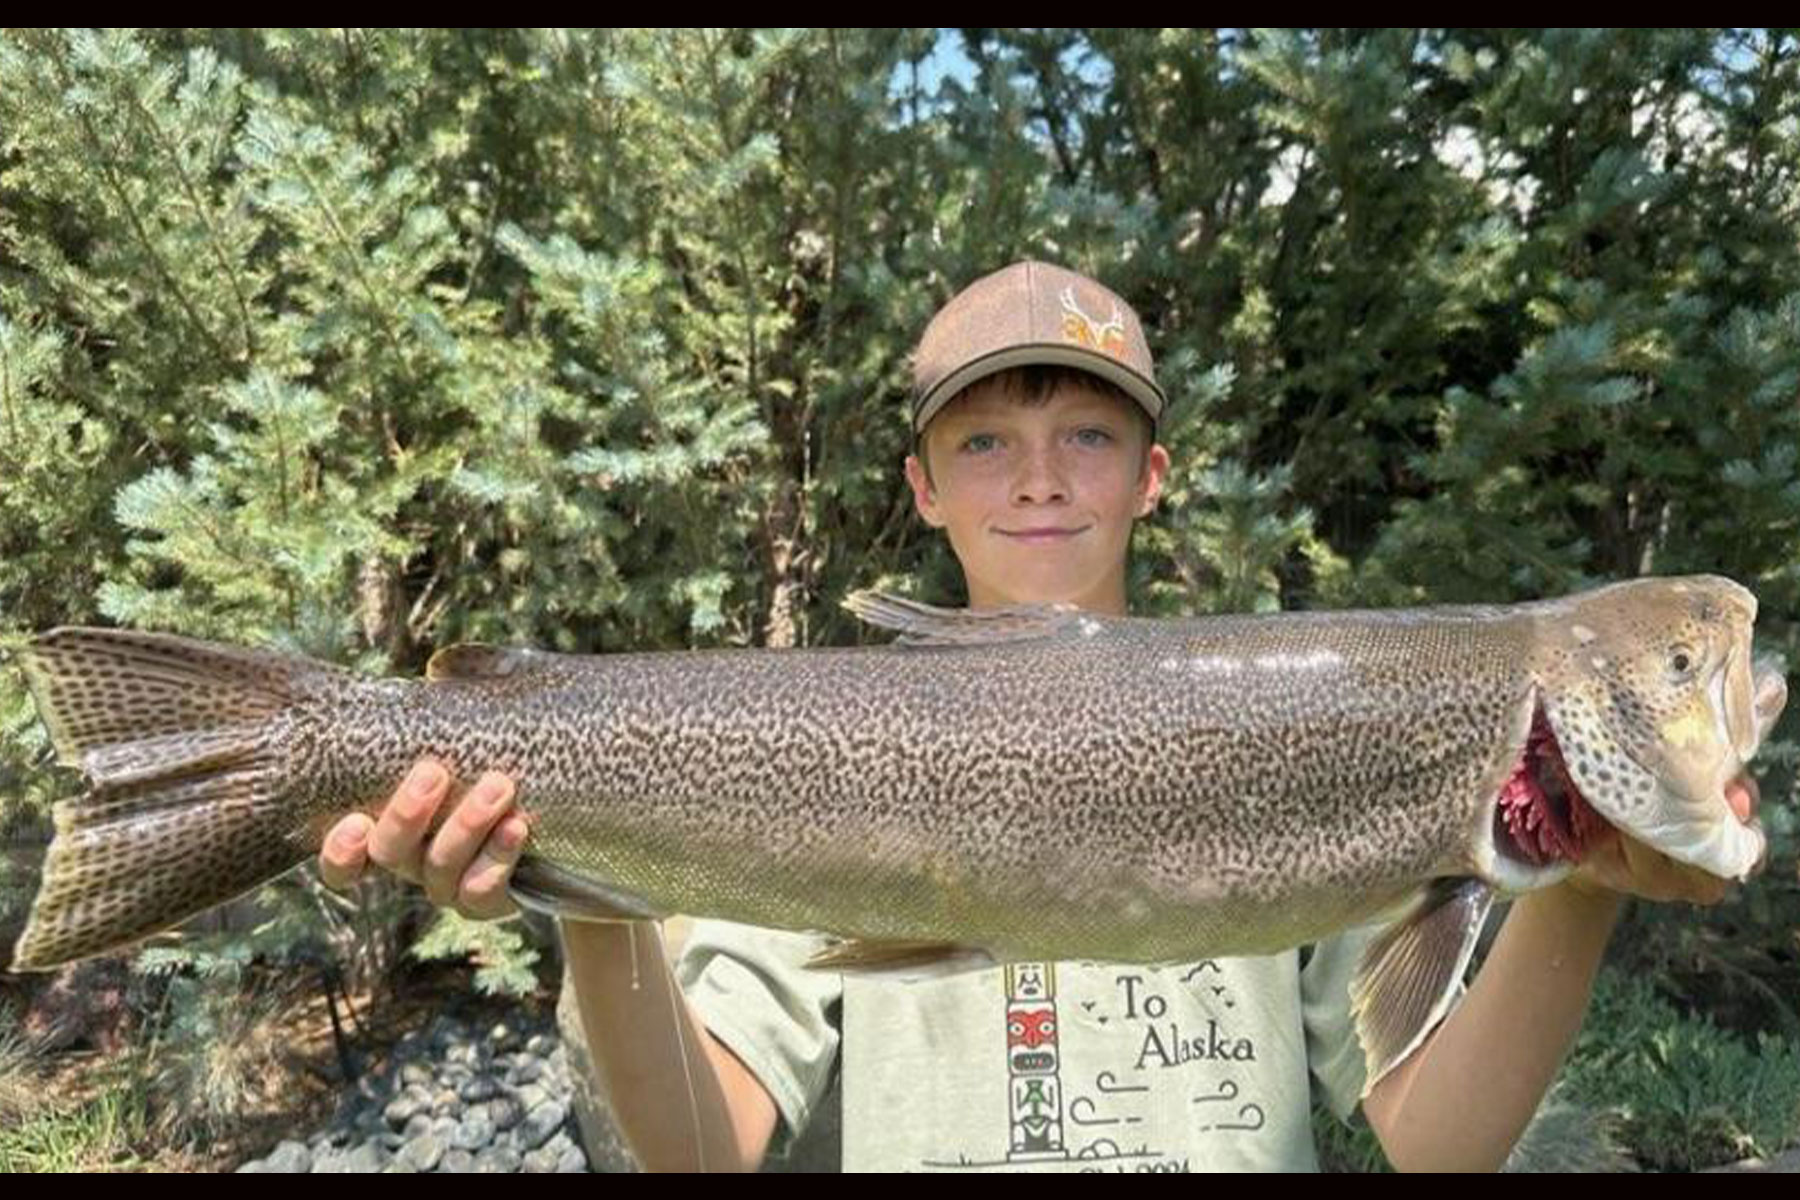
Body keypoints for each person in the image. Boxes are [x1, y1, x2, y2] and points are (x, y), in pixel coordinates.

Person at [319, 260, 1761, 1172]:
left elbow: (1435, 1148)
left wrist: (1581, 888)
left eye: (1088, 433)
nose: (1040, 478)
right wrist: (591, 887)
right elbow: (708, 1152)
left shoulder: (1314, 734)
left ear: (1151, 474)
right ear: (926, 487)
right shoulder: (827, 765)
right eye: (987, 440)